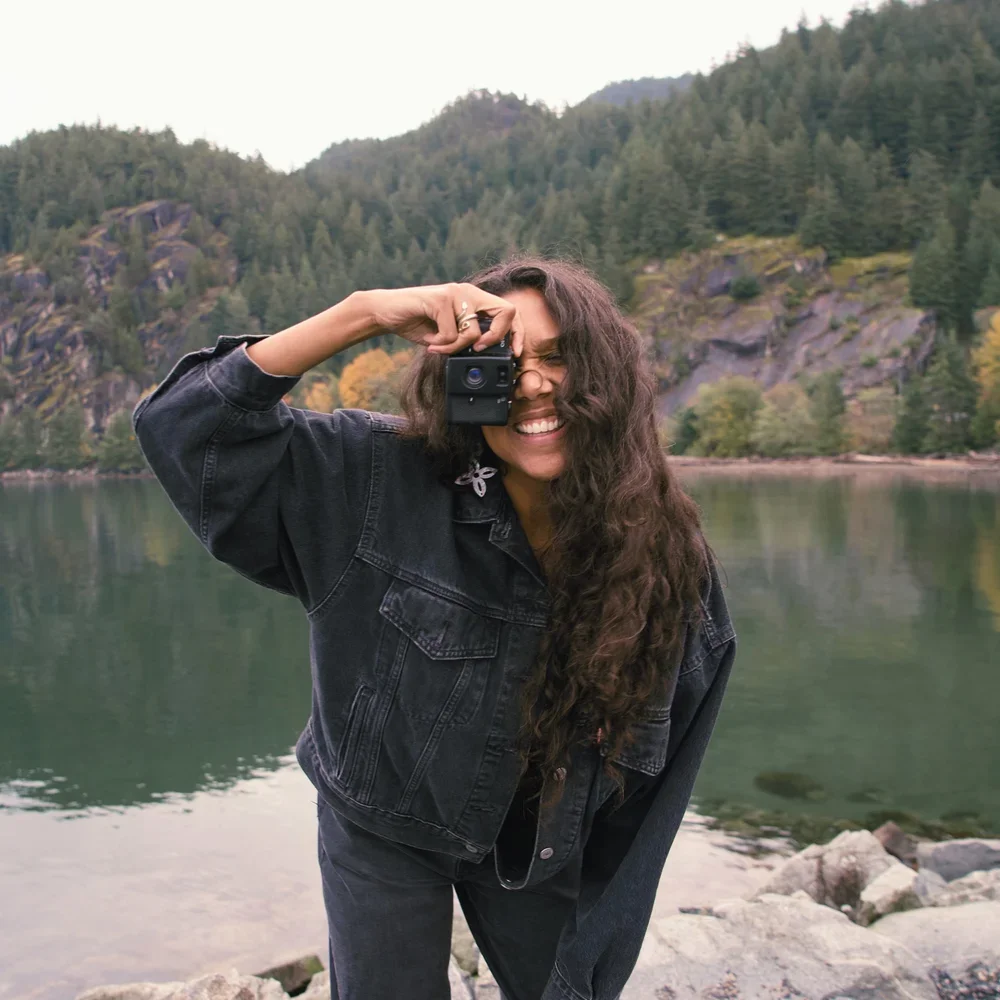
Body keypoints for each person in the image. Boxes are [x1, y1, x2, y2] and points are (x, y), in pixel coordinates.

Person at [133, 255, 736, 1000]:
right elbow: (187, 428)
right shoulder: (377, 476)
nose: (536, 385)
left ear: (610, 378)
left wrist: (591, 960)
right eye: (502, 364)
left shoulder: (663, 550)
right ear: (456, 379)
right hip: (381, 820)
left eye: (560, 358)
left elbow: (656, 786)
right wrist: (365, 312)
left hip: (537, 832)